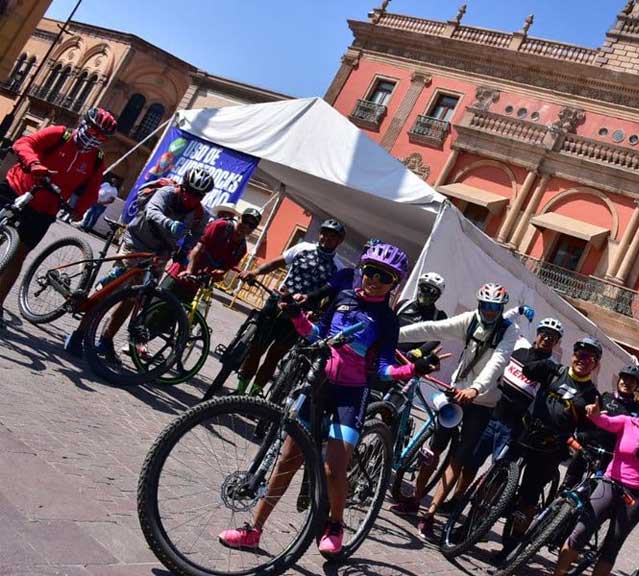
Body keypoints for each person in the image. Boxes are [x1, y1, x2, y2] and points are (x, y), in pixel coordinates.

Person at [217, 242, 447, 555]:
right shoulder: (343, 297)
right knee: (287, 460)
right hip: (319, 386)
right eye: (371, 271)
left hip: (351, 395)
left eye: (386, 276)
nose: (375, 279)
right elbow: (316, 334)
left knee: (332, 469)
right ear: (362, 269)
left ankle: (335, 523)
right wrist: (297, 315)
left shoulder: (387, 319)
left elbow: (382, 368)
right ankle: (253, 530)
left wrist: (412, 368)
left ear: (395, 284)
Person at [396, 317, 564, 518]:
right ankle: (454, 500)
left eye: (552, 337)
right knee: (470, 463)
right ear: (537, 334)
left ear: (557, 342)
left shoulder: (552, 369)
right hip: (492, 412)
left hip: (514, 426)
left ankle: (474, 518)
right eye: (543, 333)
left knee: (497, 474)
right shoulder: (517, 350)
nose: (546, 338)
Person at [394, 283, 521, 538]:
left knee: (458, 459)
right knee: (433, 450)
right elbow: (432, 328)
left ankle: (430, 514)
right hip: (455, 394)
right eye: (485, 306)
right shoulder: (470, 321)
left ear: (501, 308)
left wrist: (475, 390)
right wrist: (393, 334)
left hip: (482, 402)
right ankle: (415, 499)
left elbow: (498, 362)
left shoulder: (509, 331)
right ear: (479, 305)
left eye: (494, 308)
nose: (489, 312)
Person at [64, 166, 213, 356]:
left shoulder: (201, 214)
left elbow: (196, 236)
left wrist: (184, 251)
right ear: (182, 187)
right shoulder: (166, 193)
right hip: (135, 242)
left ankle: (106, 340)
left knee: (133, 298)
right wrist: (169, 223)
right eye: (189, 192)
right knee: (113, 288)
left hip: (160, 253)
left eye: (198, 196)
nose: (191, 198)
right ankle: (79, 334)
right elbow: (152, 210)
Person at [0, 107, 116, 331]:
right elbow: (24, 143)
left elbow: (92, 190)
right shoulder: (60, 134)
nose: (94, 138)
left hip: (46, 209)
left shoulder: (97, 159)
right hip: (17, 188)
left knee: (19, 255)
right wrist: (34, 164)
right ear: (84, 123)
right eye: (92, 130)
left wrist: (80, 209)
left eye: (101, 136)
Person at [493, 336, 604, 563]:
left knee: (528, 499)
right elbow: (528, 371)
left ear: (595, 365)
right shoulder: (555, 371)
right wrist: (544, 364)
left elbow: (587, 431)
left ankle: (509, 548)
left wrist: (592, 419)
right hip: (525, 433)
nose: (583, 360)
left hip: (551, 448)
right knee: (495, 479)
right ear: (573, 356)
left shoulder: (592, 395)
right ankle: (472, 521)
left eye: (589, 358)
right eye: (580, 354)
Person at [212, 219, 346, 399]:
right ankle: (241, 390)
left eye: (332, 237)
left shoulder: (338, 267)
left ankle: (253, 396)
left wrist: (320, 313)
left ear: (339, 241)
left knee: (274, 356)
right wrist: (255, 272)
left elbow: (332, 297)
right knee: (256, 349)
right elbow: (275, 263)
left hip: (300, 316)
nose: (326, 238)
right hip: (277, 303)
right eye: (324, 234)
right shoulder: (303, 248)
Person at [553, 386, 639, 576]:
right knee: (580, 532)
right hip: (609, 484)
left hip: (635, 497)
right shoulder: (627, 422)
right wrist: (594, 415)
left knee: (611, 548)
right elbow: (605, 422)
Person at [562, 364, 639, 489]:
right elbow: (587, 418)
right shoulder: (604, 397)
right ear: (619, 380)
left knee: (593, 493)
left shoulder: (637, 411)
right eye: (624, 379)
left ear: (637, 386)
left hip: (610, 457)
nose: (626, 383)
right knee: (567, 485)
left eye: (632, 381)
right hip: (588, 448)